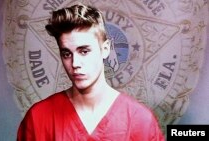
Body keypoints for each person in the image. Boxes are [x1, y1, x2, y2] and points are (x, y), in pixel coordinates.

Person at [17, 3, 165, 141]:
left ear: (105, 49)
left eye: (84, 51)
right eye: (67, 54)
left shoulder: (141, 120)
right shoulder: (38, 118)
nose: (75, 64)